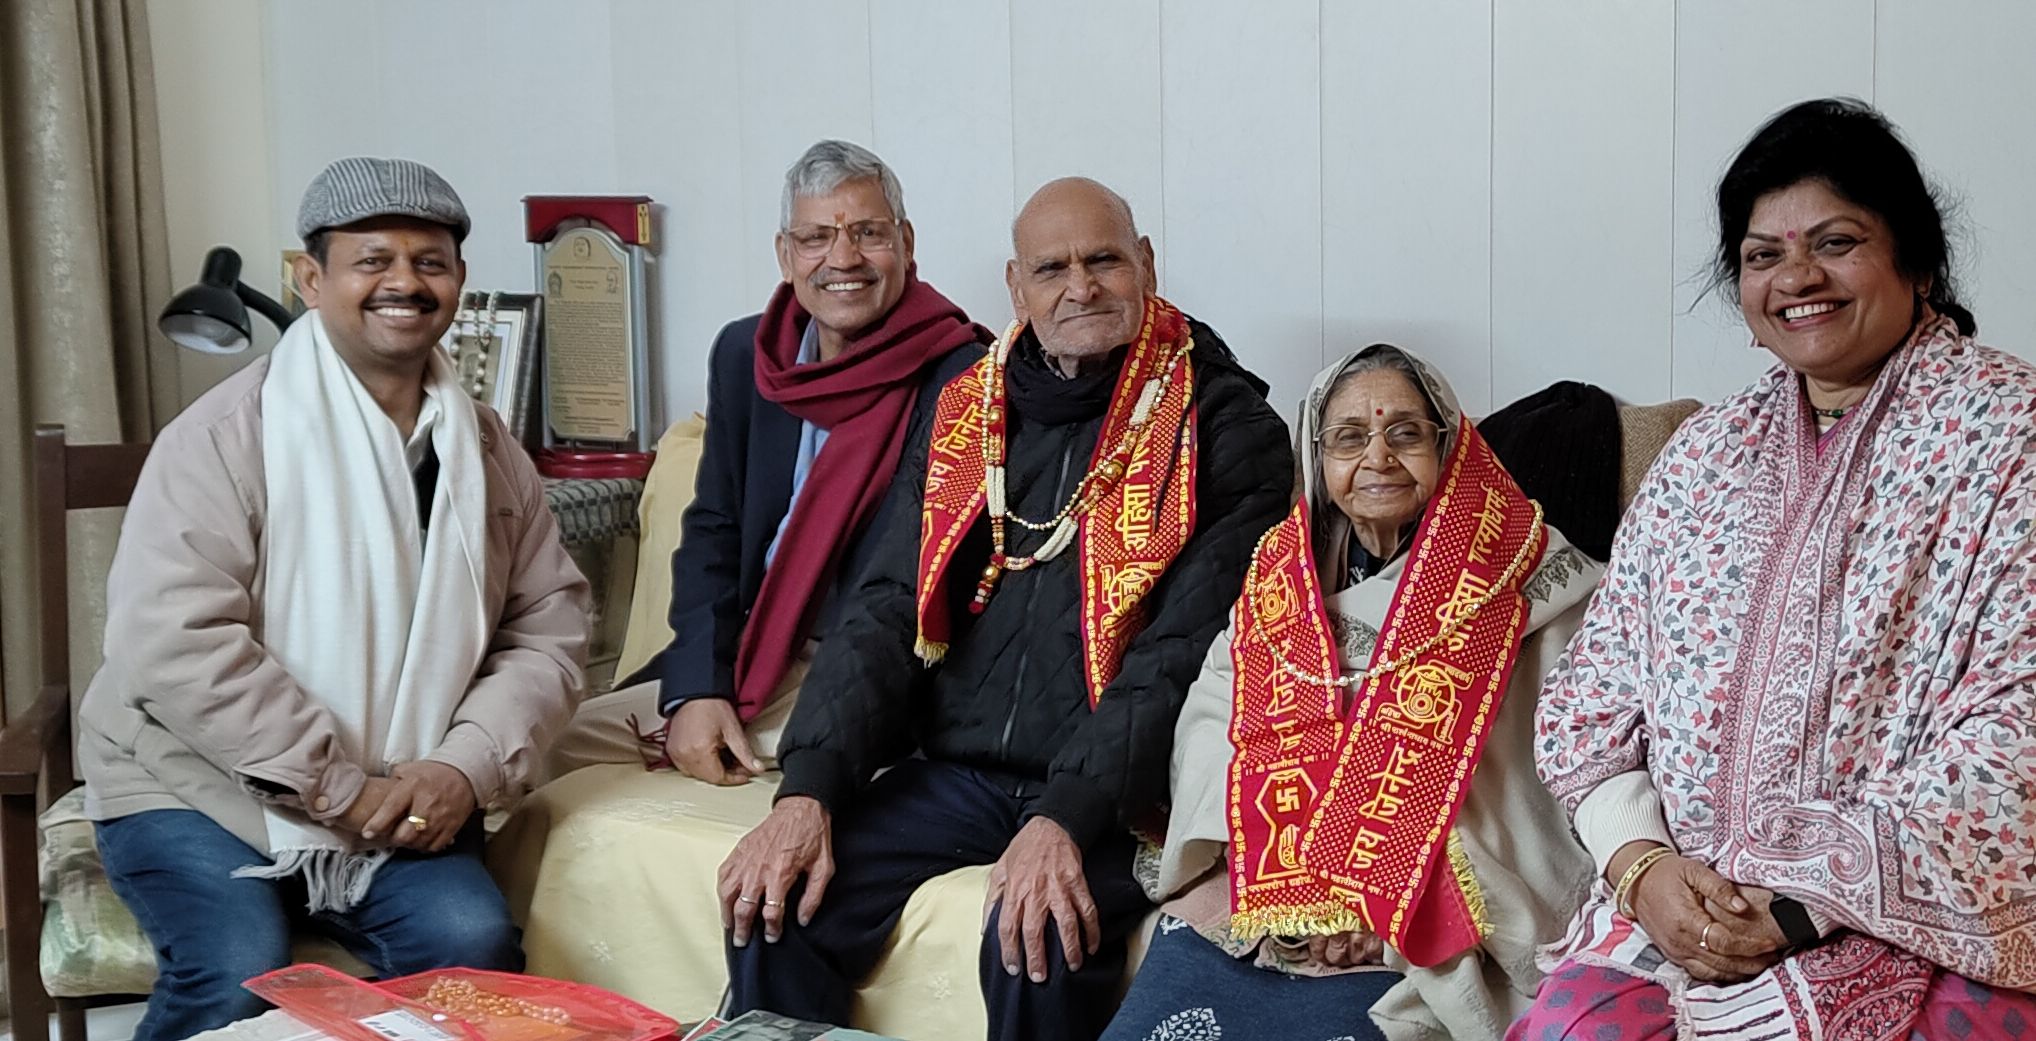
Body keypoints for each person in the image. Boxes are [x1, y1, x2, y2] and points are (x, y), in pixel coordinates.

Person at [714, 177, 1294, 1040]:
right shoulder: (968, 407)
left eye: (1103, 260)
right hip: (962, 771)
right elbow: (886, 605)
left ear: (1146, 264)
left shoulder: (1225, 422)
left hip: (1130, 793)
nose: (1081, 287)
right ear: (1016, 287)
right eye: (1051, 268)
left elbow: (1181, 653)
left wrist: (1067, 815)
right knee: (780, 904)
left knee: (1040, 937)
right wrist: (809, 788)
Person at [1514, 97, 2036, 1039]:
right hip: (1677, 912)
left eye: (1836, 242)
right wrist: (1641, 866)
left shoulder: (2008, 434)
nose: (1798, 277)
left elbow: (2018, 729)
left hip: (1928, 922)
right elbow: (1593, 699)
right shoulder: (1704, 454)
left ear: (1916, 261)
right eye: (1763, 255)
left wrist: (1806, 898)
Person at [77, 157, 589, 1041]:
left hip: (403, 795)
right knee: (235, 967)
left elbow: (548, 629)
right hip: (192, 782)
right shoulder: (224, 437)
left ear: (459, 282)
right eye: (373, 260)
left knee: (469, 944)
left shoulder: (487, 450)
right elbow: (173, 639)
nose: (405, 282)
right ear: (310, 280)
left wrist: (462, 767)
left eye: (430, 262)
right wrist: (336, 787)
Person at [1101, 345, 1603, 1041]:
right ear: (1318, 458)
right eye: (1348, 437)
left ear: (1448, 445)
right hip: (1273, 891)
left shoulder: (1525, 570)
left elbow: (1537, 762)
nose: (1378, 457)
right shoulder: (1282, 575)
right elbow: (1216, 720)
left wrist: (1377, 897)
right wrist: (1300, 885)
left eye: (1405, 433)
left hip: (1429, 888)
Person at [544, 139, 988, 782]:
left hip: (872, 677)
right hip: (754, 651)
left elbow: (917, 584)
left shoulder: (960, 376)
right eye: (815, 238)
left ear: (907, 242)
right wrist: (698, 688)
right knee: (550, 748)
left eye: (868, 233)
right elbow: (715, 531)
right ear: (785, 255)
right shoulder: (745, 355)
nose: (843, 258)